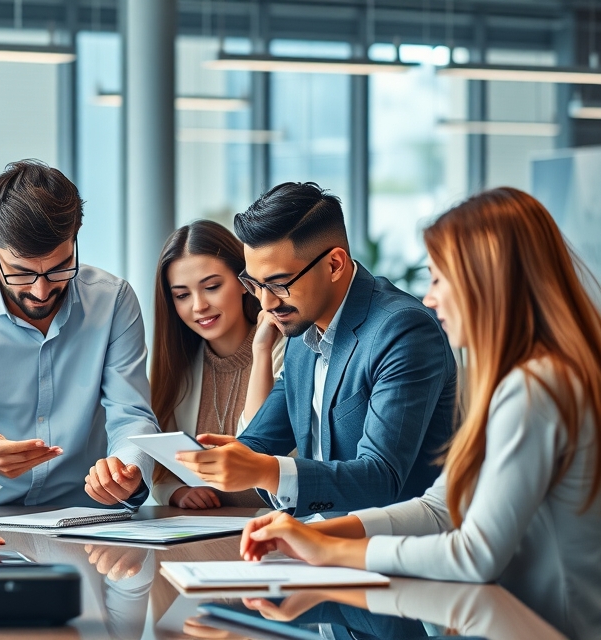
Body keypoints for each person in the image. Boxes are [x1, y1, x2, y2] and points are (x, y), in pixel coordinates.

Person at [237, 188, 601, 639]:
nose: (430, 299)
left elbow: (473, 555)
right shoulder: (517, 382)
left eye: (439, 279)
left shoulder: (537, 389)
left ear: (490, 282)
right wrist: (326, 536)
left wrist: (329, 550)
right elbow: (438, 509)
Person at [177, 182, 455, 516]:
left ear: (335, 264)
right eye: (255, 284)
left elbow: (382, 477)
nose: (266, 302)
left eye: (279, 283)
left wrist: (262, 470)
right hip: (319, 541)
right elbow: (261, 443)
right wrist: (223, 456)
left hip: (390, 551)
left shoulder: (403, 329)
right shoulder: (303, 329)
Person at [0, 160, 159, 507]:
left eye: (59, 269)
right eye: (21, 273)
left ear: (75, 237)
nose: (41, 292)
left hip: (86, 517)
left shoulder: (113, 300)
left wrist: (126, 470)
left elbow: (131, 415)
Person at [149, 220, 285, 509]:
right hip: (208, 530)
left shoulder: (284, 351)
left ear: (245, 283)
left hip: (275, 523)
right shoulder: (180, 366)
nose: (198, 306)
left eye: (211, 286)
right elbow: (161, 468)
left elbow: (258, 447)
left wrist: (260, 352)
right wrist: (175, 492)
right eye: (182, 295)